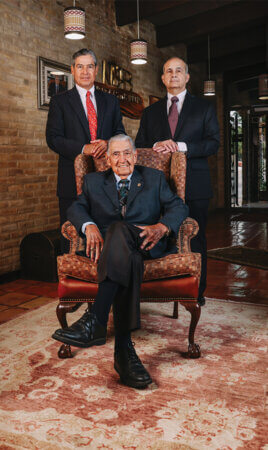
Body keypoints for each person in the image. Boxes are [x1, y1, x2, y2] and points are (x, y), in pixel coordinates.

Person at [52, 134, 188, 389]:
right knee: (123, 246)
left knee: (120, 230)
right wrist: (89, 226)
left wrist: (162, 226)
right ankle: (124, 352)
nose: (122, 159)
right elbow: (75, 209)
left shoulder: (154, 178)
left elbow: (179, 207)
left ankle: (96, 319)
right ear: (107, 159)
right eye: (115, 154)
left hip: (147, 242)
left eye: (127, 153)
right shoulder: (93, 181)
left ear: (135, 156)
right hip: (114, 252)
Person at [135, 57, 220, 305]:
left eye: (178, 71)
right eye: (168, 71)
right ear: (162, 78)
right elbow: (139, 145)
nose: (173, 75)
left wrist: (180, 146)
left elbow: (213, 143)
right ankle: (163, 288)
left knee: (195, 237)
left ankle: (197, 291)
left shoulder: (203, 109)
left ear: (187, 77)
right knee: (161, 235)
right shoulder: (150, 113)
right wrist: (156, 145)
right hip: (157, 188)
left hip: (196, 185)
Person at [46, 49, 125, 252]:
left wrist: (108, 142)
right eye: (80, 66)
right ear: (72, 70)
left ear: (96, 70)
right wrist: (84, 148)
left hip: (106, 179)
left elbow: (120, 133)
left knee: (107, 233)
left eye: (90, 66)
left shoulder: (111, 101)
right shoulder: (59, 102)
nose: (85, 71)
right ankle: (74, 279)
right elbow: (53, 139)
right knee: (72, 236)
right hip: (70, 180)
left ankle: (106, 279)